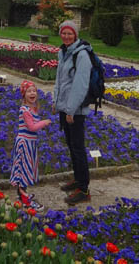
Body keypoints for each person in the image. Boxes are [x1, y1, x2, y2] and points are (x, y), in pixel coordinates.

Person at [53, 20, 92, 204]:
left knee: (78, 148)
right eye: (64, 33)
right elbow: (60, 80)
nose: (66, 36)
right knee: (71, 145)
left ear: (75, 35)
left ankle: (83, 190)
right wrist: (56, 101)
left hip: (75, 110)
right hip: (65, 107)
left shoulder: (81, 55)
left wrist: (71, 110)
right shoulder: (63, 52)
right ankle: (77, 180)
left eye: (70, 33)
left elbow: (80, 85)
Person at [9, 80, 51, 210]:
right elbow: (32, 127)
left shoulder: (32, 109)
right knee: (23, 171)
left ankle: (22, 195)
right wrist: (44, 122)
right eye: (29, 91)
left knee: (27, 169)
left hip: (30, 143)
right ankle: (25, 200)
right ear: (24, 94)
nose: (32, 93)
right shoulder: (25, 110)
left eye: (34, 91)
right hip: (24, 144)